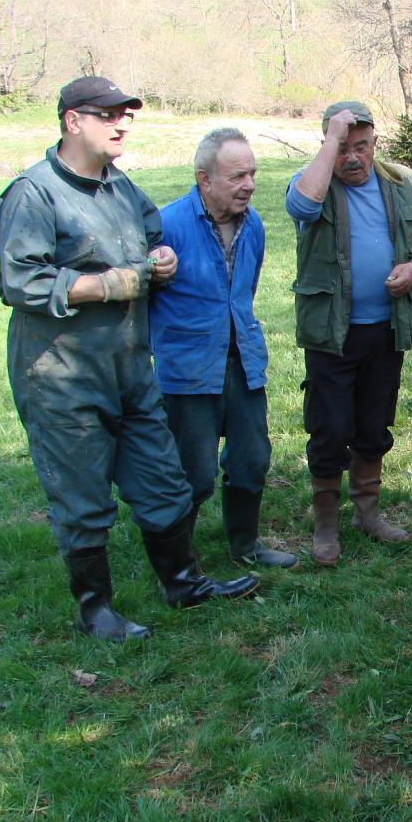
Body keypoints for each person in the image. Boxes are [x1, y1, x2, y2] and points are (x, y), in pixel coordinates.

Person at [0, 76, 258, 641]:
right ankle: (97, 611)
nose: (122, 124)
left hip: (130, 368)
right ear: (72, 121)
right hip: (62, 375)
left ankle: (182, 582)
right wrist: (107, 284)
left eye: (127, 115)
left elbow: (151, 230)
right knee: (83, 496)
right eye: (109, 115)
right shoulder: (34, 193)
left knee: (164, 481)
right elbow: (19, 281)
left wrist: (158, 257)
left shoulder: (119, 187)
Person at [285, 101, 412, 567]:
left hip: (385, 330)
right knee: (330, 428)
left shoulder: (398, 184)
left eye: (361, 147)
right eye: (342, 148)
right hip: (331, 334)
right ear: (328, 146)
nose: (352, 158)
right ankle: (326, 524)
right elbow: (300, 206)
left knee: (374, 426)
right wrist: (329, 142)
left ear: (375, 144)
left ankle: (368, 513)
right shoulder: (312, 180)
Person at [150, 128, 296, 570]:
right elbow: (144, 300)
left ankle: (245, 546)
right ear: (204, 179)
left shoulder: (254, 225)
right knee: (192, 473)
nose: (249, 184)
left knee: (252, 459)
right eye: (237, 176)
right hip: (189, 370)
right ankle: (180, 563)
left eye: (252, 174)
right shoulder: (167, 225)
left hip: (244, 362)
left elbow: (243, 293)